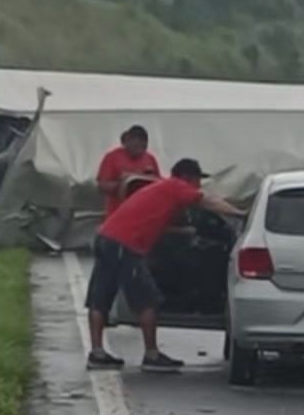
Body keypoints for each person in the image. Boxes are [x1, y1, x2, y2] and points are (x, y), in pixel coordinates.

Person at [86, 158, 243, 373]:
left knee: (100, 298)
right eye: (197, 181)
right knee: (148, 300)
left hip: (106, 237)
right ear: (188, 178)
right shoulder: (176, 187)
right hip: (126, 244)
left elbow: (158, 222)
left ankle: (97, 353)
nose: (198, 186)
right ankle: (151, 354)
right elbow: (207, 202)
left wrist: (184, 232)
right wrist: (240, 214)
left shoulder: (160, 189)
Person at [96, 125, 161, 217]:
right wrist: (124, 184)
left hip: (143, 215)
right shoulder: (112, 157)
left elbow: (158, 183)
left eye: (142, 145)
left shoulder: (150, 159)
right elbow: (101, 186)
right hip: (117, 214)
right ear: (126, 141)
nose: (138, 147)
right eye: (135, 143)